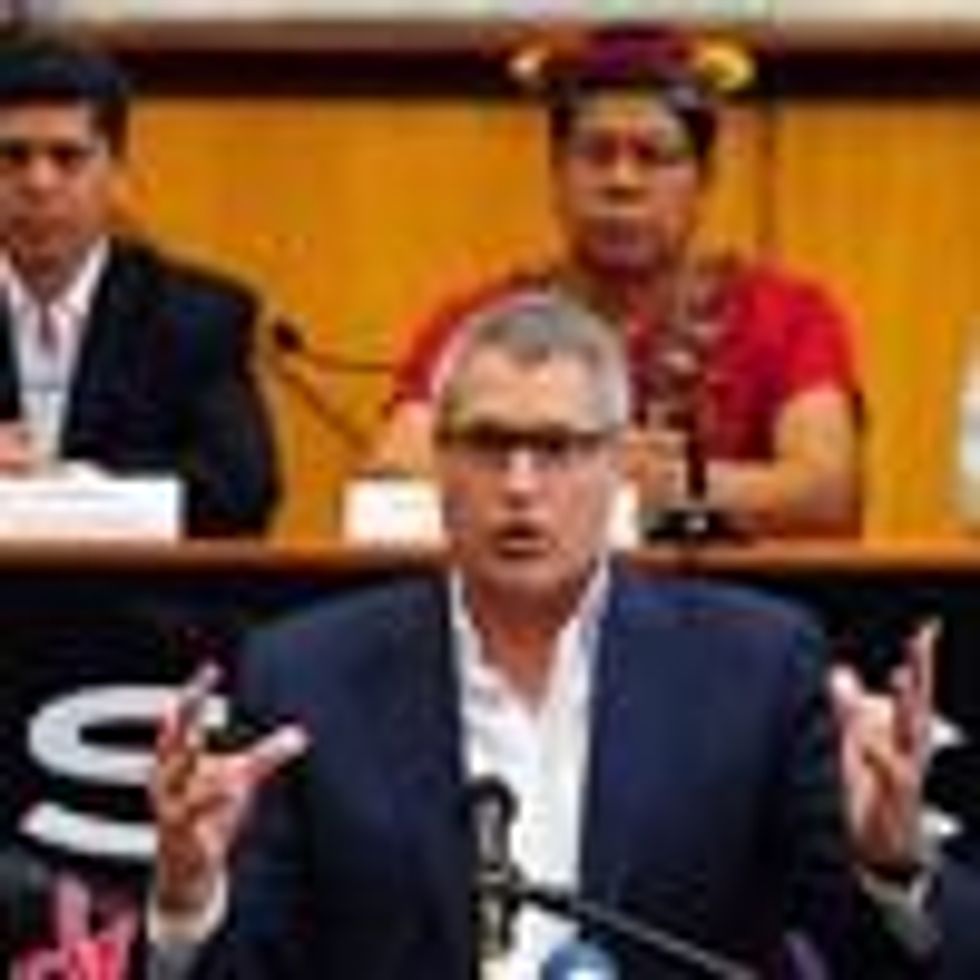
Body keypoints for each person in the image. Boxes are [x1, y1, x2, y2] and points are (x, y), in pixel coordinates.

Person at [146, 289, 937, 978]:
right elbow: (246, 965)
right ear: (440, 463)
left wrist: (891, 866)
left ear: (620, 463)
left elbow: (891, 960)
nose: (520, 487)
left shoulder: (752, 668)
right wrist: (189, 900)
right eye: (488, 445)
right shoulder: (307, 676)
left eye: (558, 448)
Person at [369, 28, 862, 538]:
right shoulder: (482, 321)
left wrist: (679, 486)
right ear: (556, 174)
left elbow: (828, 493)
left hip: (716, 588)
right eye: (596, 154)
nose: (622, 182)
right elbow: (393, 480)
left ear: (705, 179)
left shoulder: (789, 314)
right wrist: (584, 469)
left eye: (653, 156)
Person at [0, 32, 278, 536]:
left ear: (117, 177)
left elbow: (241, 491)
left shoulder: (196, 317)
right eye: (13, 157)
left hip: (129, 586)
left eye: (67, 158)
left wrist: (67, 489)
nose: (39, 183)